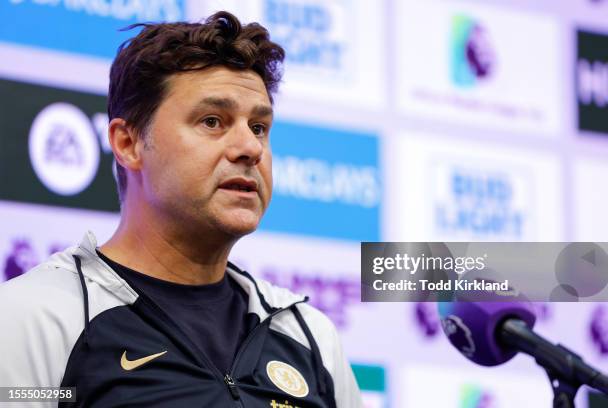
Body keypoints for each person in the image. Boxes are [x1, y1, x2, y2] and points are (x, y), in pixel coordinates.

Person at [0, 11, 362, 407]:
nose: (251, 148)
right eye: (212, 121)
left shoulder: (309, 336)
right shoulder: (34, 318)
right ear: (128, 144)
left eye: (259, 127)